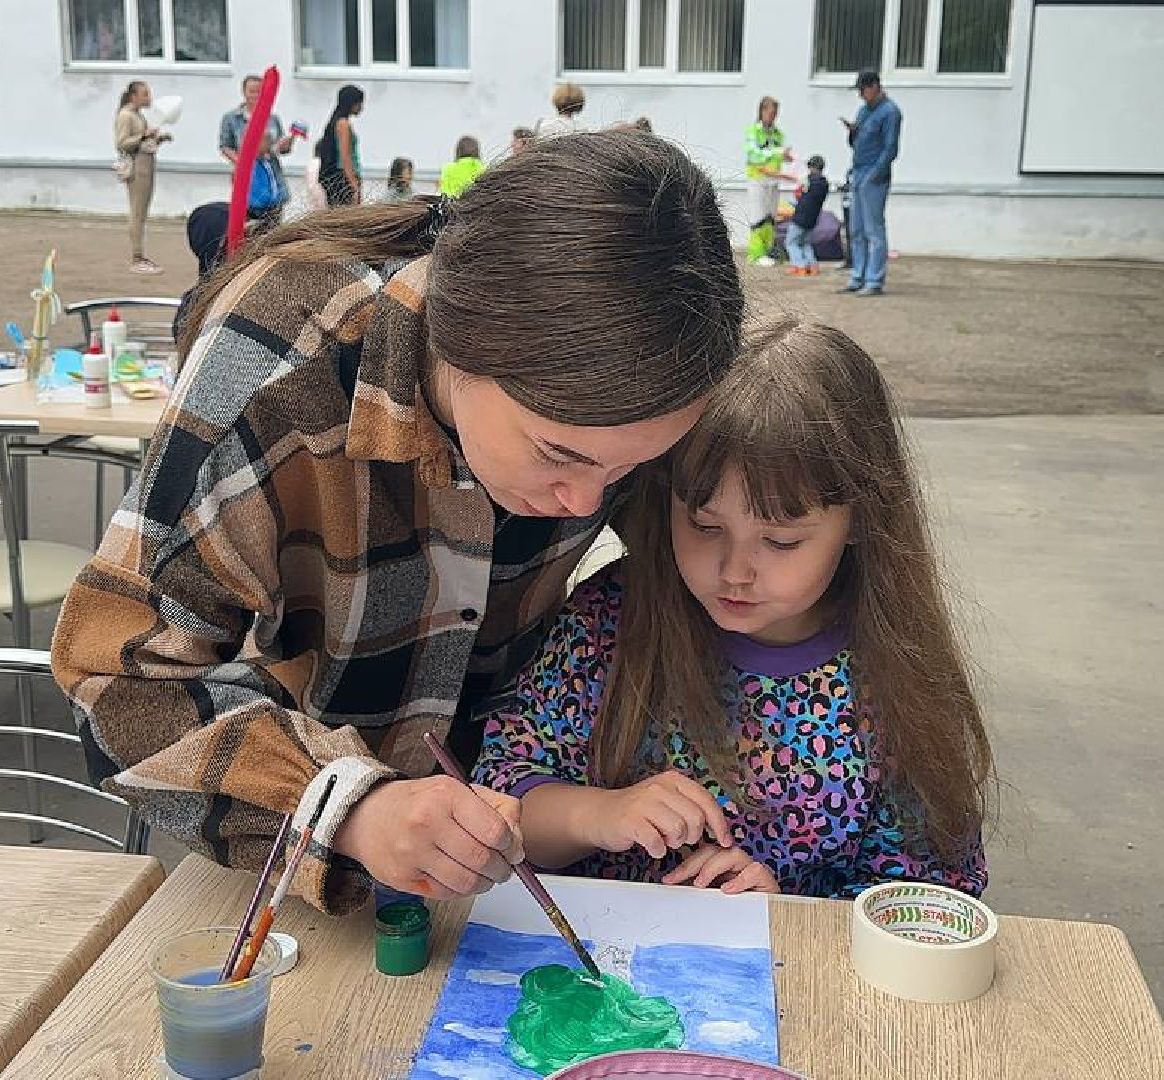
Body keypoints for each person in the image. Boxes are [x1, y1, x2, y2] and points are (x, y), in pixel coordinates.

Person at [51, 130, 744, 915]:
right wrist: (349, 807)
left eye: (624, 472)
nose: (586, 506)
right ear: (461, 343)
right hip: (289, 849)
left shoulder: (643, 369)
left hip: (501, 845)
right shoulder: (281, 361)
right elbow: (117, 678)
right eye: (559, 455)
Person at [473, 315, 991, 899]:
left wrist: (784, 913)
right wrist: (599, 815)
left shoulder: (895, 677)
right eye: (704, 525)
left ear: (860, 521)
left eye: (781, 541)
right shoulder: (609, 621)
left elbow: (926, 897)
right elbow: (499, 797)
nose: (734, 572)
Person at [843, 71, 900, 298]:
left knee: (873, 230)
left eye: (863, 90)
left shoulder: (890, 112)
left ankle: (874, 280)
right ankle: (858, 276)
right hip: (858, 172)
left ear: (875, 86)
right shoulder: (864, 110)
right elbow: (856, 144)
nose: (860, 95)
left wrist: (875, 174)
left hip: (874, 177)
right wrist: (852, 133)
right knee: (856, 230)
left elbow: (890, 148)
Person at [219, 75, 295, 219]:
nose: (255, 96)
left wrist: (288, 143)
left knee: (273, 221)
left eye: (259, 92)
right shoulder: (231, 118)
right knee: (250, 223)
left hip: (271, 176)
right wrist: (242, 162)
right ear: (243, 92)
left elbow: (281, 149)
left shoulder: (273, 119)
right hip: (248, 178)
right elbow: (225, 146)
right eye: (251, 91)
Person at [115, 81, 171, 276]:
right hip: (137, 168)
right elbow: (122, 143)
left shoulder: (138, 115)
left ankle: (140, 255)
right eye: (145, 94)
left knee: (142, 211)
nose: (149, 99)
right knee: (137, 211)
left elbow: (142, 140)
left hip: (146, 165)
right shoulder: (126, 115)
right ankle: (136, 256)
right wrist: (143, 135)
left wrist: (158, 138)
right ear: (133, 96)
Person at [745, 97, 792, 268]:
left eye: (775, 114)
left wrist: (785, 157)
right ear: (762, 111)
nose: (772, 117)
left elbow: (776, 155)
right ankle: (756, 253)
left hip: (773, 179)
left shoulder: (778, 134)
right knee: (758, 216)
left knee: (771, 217)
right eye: (770, 113)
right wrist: (778, 153)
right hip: (758, 179)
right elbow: (753, 155)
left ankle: (767, 250)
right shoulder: (753, 132)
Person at [315, 84, 366, 207]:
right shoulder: (343, 124)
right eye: (359, 103)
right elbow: (345, 156)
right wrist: (353, 183)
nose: (361, 107)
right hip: (342, 177)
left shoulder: (335, 121)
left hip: (337, 177)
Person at [785, 155, 828, 278]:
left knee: (791, 243)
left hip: (800, 217)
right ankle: (813, 266)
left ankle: (800, 266)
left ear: (810, 167)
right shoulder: (824, 184)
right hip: (813, 218)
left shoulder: (808, 180)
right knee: (805, 243)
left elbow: (798, 190)